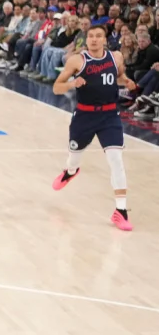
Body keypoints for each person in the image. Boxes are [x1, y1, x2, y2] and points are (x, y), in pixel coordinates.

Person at [52, 25, 136, 231]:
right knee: (74, 156)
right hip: (85, 115)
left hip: (109, 115)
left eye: (99, 36)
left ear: (105, 39)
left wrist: (127, 82)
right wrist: (73, 84)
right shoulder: (77, 61)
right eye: (91, 36)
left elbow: (119, 77)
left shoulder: (116, 58)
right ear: (86, 40)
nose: (94, 39)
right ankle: (71, 171)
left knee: (116, 160)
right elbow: (56, 87)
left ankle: (121, 211)